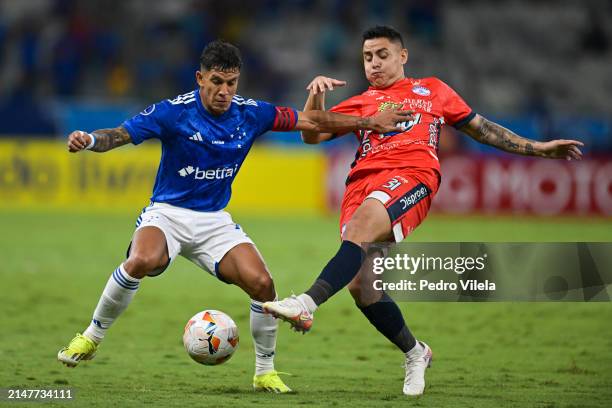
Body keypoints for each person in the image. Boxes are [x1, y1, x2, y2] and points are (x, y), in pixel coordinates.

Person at [57, 39, 410, 393]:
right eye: (216, 82)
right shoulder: (172, 112)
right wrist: (88, 139)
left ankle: (264, 372)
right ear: (200, 78)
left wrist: (370, 122)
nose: (224, 91)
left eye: (231, 83)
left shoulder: (251, 112)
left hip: (213, 220)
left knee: (263, 285)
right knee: (142, 260)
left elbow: (310, 120)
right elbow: (119, 134)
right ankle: (91, 336)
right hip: (168, 214)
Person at [263, 26, 584, 396]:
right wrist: (315, 97)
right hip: (361, 185)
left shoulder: (432, 90)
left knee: (361, 227)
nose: (374, 64)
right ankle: (416, 352)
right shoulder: (362, 101)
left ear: (403, 56)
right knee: (361, 286)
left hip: (412, 177)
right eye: (367, 57)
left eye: (382, 55)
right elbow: (311, 134)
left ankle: (305, 304)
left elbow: (482, 130)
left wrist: (538, 148)